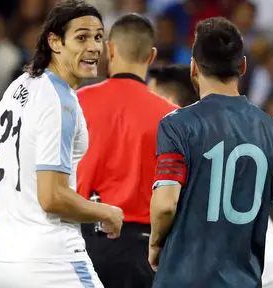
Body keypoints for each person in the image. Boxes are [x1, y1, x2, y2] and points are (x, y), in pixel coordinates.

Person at [0, 1, 124, 287]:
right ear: (55, 41)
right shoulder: (59, 101)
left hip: (5, 265)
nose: (94, 47)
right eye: (81, 37)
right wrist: (106, 212)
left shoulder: (21, 85)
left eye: (99, 37)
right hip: (52, 262)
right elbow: (51, 197)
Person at [148, 17, 273, 288]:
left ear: (193, 67)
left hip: (180, 279)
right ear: (243, 66)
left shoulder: (176, 125)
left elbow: (166, 204)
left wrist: (155, 244)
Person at [76, 14, 178, 288]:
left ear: (109, 49)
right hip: (146, 248)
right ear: (152, 55)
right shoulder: (173, 118)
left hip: (87, 242)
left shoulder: (78, 103)